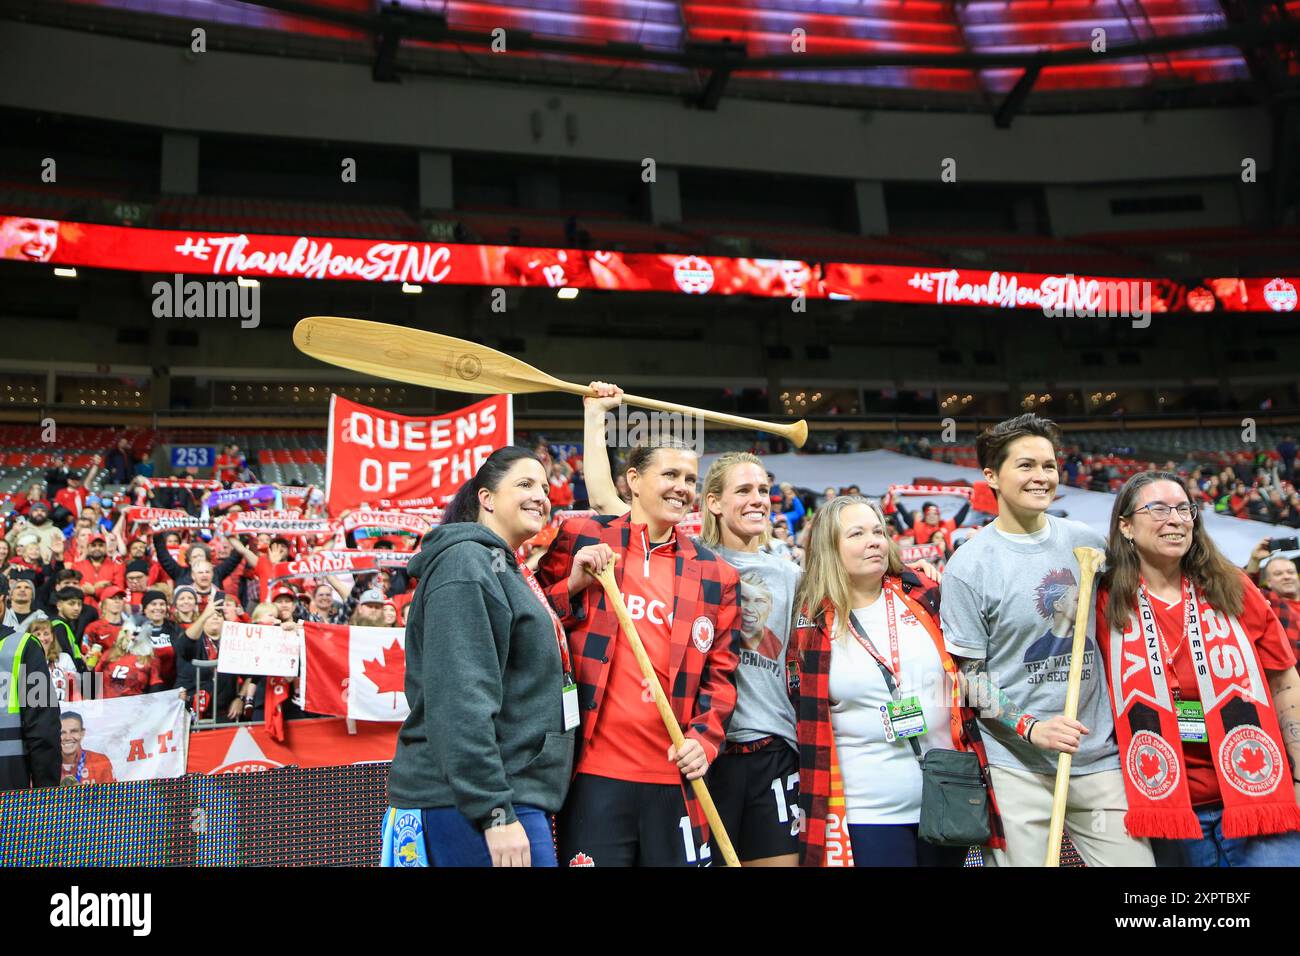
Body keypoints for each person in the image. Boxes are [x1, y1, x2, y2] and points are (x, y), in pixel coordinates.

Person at [584, 385, 799, 866]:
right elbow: (605, 497)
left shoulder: (792, 572)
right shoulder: (687, 560)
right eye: (743, 490)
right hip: (700, 754)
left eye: (764, 489)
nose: (758, 499)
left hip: (770, 745)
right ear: (714, 503)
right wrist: (595, 416)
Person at [940, 413, 1155, 866]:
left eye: (1049, 465)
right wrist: (1033, 728)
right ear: (991, 476)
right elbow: (970, 679)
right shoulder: (968, 566)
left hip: (1098, 757)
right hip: (1016, 764)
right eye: (1026, 465)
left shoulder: (1087, 542)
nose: (1042, 477)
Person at [535, 416, 741, 867]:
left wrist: (704, 741)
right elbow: (529, 617)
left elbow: (721, 678)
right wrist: (569, 585)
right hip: (594, 775)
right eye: (669, 474)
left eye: (690, 478)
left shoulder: (716, 575)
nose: (682, 487)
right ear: (633, 480)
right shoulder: (582, 537)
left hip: (675, 778)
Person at [385, 447, 576, 867]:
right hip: (474, 803)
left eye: (545, 487)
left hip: (506, 795)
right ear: (486, 498)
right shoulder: (466, 562)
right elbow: (461, 698)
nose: (541, 495)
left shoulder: (504, 567)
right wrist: (493, 812)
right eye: (524, 484)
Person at [1097, 472, 1300, 866]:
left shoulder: (1233, 587)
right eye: (1157, 508)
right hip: (1168, 808)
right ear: (1125, 526)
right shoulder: (1105, 601)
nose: (1175, 519)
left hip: (1261, 798)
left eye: (1183, 508)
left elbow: (1284, 681)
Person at [791, 495, 1002, 866]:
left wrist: (1027, 726)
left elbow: (973, 676)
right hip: (867, 812)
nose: (874, 540)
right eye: (857, 533)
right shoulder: (812, 623)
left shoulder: (925, 594)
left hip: (946, 798)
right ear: (829, 547)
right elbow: (806, 718)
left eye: (878, 531)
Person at [0, 576, 60, 791]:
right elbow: (43, 724)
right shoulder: (23, 646)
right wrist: (47, 791)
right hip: (9, 776)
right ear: (4, 600)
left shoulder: (23, 646)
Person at [58, 712, 115, 785]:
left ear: (82, 733)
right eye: (62, 733)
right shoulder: (45, 763)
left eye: (74, 731)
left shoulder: (101, 761)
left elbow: (111, 795)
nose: (68, 737)